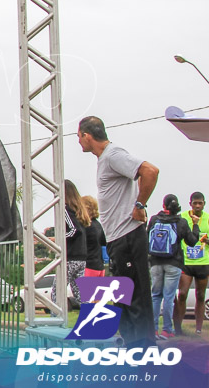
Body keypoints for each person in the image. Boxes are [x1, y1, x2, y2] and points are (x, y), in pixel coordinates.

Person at [78, 115, 159, 346]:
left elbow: (150, 171)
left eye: (79, 137)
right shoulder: (104, 159)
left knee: (137, 301)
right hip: (117, 240)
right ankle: (133, 353)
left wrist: (140, 205)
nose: (79, 142)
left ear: (87, 135)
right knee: (123, 301)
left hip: (129, 237)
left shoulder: (113, 155)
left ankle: (146, 359)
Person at [149, 193, 198, 339]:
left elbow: (147, 237)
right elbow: (192, 241)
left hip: (155, 263)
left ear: (164, 206)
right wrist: (195, 225)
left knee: (155, 296)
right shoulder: (181, 222)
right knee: (169, 297)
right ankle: (167, 330)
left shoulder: (154, 219)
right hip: (173, 263)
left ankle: (153, 329)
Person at [174, 191, 209, 335]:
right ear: (190, 204)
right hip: (186, 262)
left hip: (203, 262)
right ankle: (178, 329)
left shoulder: (207, 218)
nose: (198, 206)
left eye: (200, 203)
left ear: (204, 204)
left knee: (201, 295)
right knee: (182, 294)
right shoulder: (182, 217)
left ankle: (199, 329)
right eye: (195, 203)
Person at [53, 179, 89, 307]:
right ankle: (91, 319)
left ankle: (56, 320)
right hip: (81, 258)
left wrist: (59, 240)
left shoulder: (64, 209)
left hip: (69, 257)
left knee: (57, 292)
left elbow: (74, 230)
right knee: (80, 293)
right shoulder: (79, 211)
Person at [81, 195, 108, 277]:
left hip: (88, 266)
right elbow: (104, 243)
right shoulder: (98, 225)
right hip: (99, 266)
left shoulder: (85, 226)